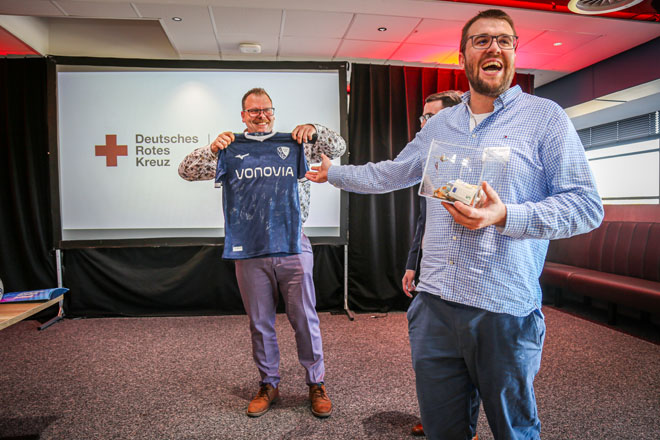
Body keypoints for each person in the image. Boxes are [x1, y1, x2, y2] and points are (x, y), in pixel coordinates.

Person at [307, 9, 603, 439]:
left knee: (514, 431)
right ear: (463, 55)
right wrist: (335, 173)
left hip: (503, 309)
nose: (493, 47)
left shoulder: (546, 118)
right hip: (436, 307)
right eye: (481, 40)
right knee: (443, 431)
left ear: (515, 53)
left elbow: (586, 206)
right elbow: (394, 171)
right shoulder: (442, 123)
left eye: (504, 40)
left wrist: (505, 215)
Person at [178, 87, 346, 419]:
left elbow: (338, 148)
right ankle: (268, 383)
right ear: (243, 116)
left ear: (274, 112)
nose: (261, 116)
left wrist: (315, 129)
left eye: (266, 110)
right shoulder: (230, 149)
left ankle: (316, 383)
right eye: (253, 111)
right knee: (259, 322)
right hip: (249, 248)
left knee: (305, 318)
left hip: (292, 244)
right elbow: (186, 170)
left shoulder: (297, 144)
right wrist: (212, 149)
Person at [400, 91, 473, 439]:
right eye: (422, 118)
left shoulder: (472, 160)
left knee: (471, 370)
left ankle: (467, 428)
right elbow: (425, 222)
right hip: (433, 283)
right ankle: (439, 419)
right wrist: (414, 263)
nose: (424, 125)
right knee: (437, 365)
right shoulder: (434, 161)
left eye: (431, 117)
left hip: (476, 288)